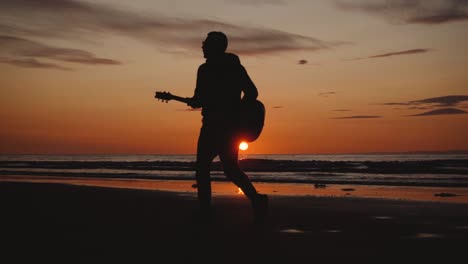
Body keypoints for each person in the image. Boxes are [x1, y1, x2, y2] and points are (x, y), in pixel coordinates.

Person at [187, 31, 268, 224]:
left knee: (204, 168)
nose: (202, 46)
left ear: (215, 46)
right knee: (229, 169)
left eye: (205, 43)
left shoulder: (206, 70)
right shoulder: (232, 68)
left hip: (217, 127)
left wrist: (236, 111)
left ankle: (206, 211)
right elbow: (252, 93)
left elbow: (252, 93)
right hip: (226, 128)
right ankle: (256, 200)